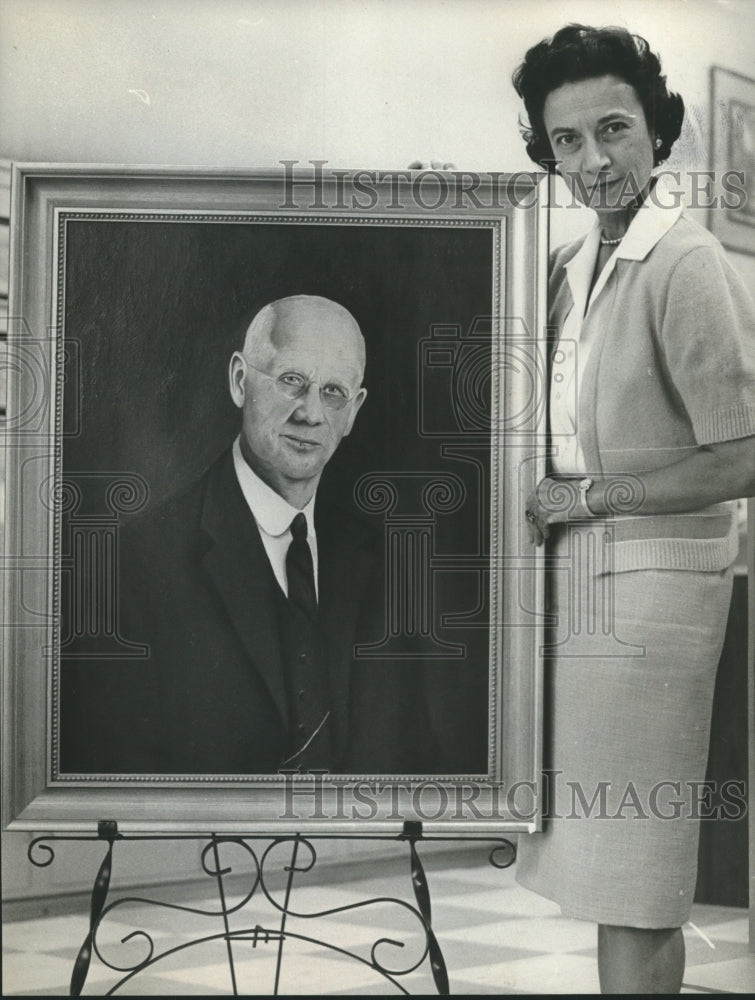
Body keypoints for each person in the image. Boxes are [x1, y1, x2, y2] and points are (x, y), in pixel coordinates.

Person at [510, 24, 755, 994]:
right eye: (564, 141)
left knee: (636, 876)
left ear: (658, 129)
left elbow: (738, 454)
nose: (590, 160)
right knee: (606, 867)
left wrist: (588, 496)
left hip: (656, 601)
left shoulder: (684, 261)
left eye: (611, 129)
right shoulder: (573, 265)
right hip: (586, 589)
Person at [60, 294, 431, 776]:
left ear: (355, 410)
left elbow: (415, 761)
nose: (311, 413)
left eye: (334, 392)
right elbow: (115, 779)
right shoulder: (129, 563)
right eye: (292, 381)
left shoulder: (384, 562)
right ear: (240, 380)